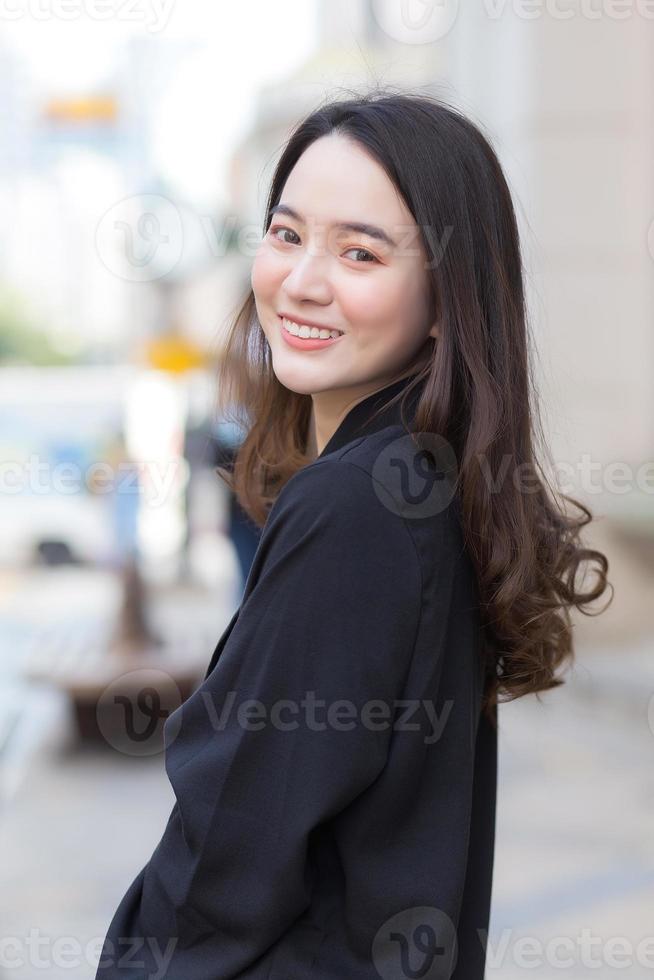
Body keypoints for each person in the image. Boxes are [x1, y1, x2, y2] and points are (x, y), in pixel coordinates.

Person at [95, 90, 611, 979]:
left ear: (449, 300)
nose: (301, 281)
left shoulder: (356, 508)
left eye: (360, 252)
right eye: (288, 234)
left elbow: (225, 854)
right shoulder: (431, 481)